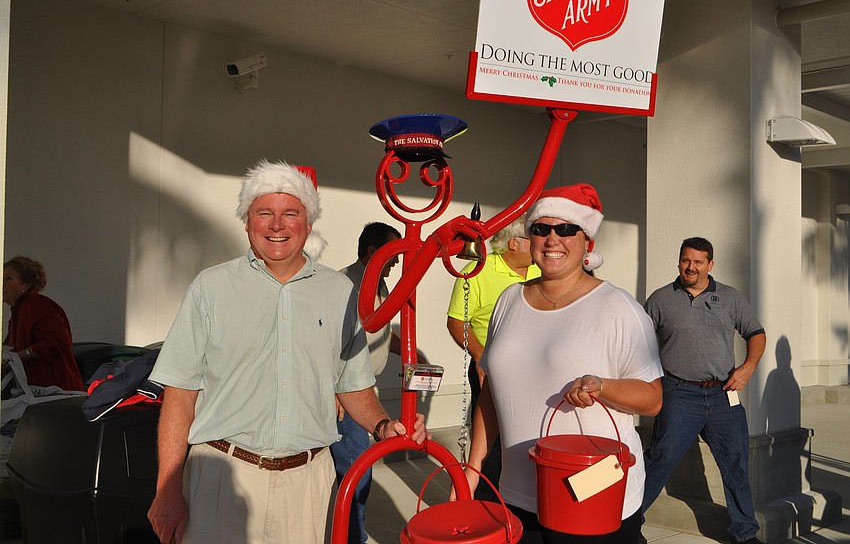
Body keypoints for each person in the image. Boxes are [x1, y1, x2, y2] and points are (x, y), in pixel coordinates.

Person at [146, 160, 429, 544]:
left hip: (309, 485)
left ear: (308, 224)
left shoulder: (340, 293)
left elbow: (352, 385)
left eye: (290, 214)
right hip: (221, 479)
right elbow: (180, 394)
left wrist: (383, 425)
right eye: (264, 213)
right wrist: (167, 489)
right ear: (247, 221)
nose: (277, 225)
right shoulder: (210, 288)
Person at [457, 184, 663, 543]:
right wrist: (471, 473)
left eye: (566, 229)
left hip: (591, 493)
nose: (553, 239)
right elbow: (492, 393)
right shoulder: (508, 300)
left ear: (588, 242)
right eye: (541, 229)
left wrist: (604, 387)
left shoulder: (618, 308)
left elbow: (653, 398)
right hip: (516, 493)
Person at [641, 237, 767, 544]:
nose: (691, 267)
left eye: (698, 262)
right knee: (660, 458)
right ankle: (627, 523)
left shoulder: (730, 297)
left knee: (736, 464)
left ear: (710, 264)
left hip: (724, 395)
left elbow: (756, 333)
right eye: (686, 260)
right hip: (679, 392)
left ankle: (745, 533)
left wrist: (747, 368)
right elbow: (638, 344)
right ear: (679, 261)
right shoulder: (660, 299)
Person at [446, 214, 539, 501]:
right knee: (494, 442)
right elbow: (456, 321)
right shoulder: (478, 270)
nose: (541, 243)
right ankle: (487, 502)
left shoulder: (543, 272)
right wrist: (481, 356)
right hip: (492, 370)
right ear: (514, 243)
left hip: (536, 372)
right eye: (533, 236)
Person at [332, 221, 403, 544]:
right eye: (393, 254)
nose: (398, 262)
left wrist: (409, 350)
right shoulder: (343, 284)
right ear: (373, 252)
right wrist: (333, 389)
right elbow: (327, 341)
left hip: (365, 391)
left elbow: (376, 331)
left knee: (355, 473)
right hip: (345, 396)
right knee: (356, 475)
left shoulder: (381, 285)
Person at [2, 256, 84, 391]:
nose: (2, 284)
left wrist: (23, 355)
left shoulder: (36, 305)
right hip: (38, 392)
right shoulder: (19, 311)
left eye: (8, 279)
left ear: (26, 284)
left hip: (52, 391)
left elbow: (58, 341)